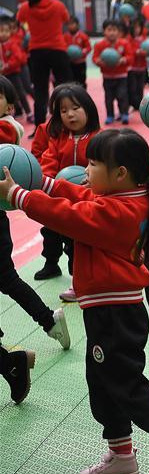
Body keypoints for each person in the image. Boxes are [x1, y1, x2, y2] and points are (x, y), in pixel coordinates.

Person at [0, 128, 149, 474]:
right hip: (107, 308)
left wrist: (19, 195)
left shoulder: (118, 210)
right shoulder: (126, 196)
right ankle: (121, 454)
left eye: (93, 164)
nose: (86, 169)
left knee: (123, 382)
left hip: (115, 311)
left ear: (121, 174)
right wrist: (45, 181)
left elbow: (71, 216)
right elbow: (81, 196)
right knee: (101, 382)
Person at [0, 76, 70, 352]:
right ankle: (47, 321)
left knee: (7, 280)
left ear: (10, 104)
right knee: (7, 280)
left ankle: (48, 321)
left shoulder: (7, 128)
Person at [34, 84, 100, 300]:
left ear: (89, 108)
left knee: (76, 245)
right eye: (63, 111)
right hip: (59, 197)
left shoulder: (99, 139)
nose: (70, 114)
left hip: (85, 201)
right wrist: (46, 181)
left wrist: (93, 183)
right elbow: (48, 160)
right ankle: (51, 263)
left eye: (75, 108)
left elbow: (105, 166)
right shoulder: (58, 138)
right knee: (50, 232)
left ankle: (79, 284)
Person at [16, 0, 73, 132]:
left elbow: (19, 21)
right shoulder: (58, 5)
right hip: (57, 50)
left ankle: (39, 128)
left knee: (40, 91)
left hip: (37, 52)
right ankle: (68, 124)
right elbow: (66, 19)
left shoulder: (26, 7)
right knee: (66, 88)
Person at [92, 19, 134, 125]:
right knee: (108, 98)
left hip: (121, 76)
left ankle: (124, 114)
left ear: (118, 32)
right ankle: (110, 115)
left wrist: (123, 59)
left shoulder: (124, 43)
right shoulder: (99, 45)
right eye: (109, 30)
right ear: (104, 31)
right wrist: (99, 61)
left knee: (122, 95)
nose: (112, 32)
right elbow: (95, 58)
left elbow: (130, 56)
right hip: (107, 77)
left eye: (114, 30)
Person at [0, 18, 33, 122]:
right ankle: (11, 112)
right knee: (7, 94)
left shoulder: (12, 43)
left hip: (14, 73)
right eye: (1, 31)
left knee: (21, 92)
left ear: (10, 32)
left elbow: (17, 58)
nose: (3, 34)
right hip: (4, 75)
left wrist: (7, 65)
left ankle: (29, 113)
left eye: (6, 31)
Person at [128, 20, 149, 112]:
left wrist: (147, 52)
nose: (137, 29)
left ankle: (139, 105)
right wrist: (136, 52)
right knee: (132, 88)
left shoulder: (144, 39)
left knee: (140, 87)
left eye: (138, 27)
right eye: (135, 27)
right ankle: (132, 104)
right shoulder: (129, 38)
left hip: (142, 68)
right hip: (132, 68)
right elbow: (128, 50)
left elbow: (148, 49)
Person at [64, 17, 90, 88]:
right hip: (69, 63)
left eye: (72, 23)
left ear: (77, 25)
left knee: (81, 80)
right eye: (68, 24)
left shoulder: (83, 36)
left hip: (80, 63)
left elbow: (88, 47)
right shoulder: (65, 36)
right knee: (70, 80)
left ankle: (82, 95)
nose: (70, 26)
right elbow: (62, 47)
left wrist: (82, 52)